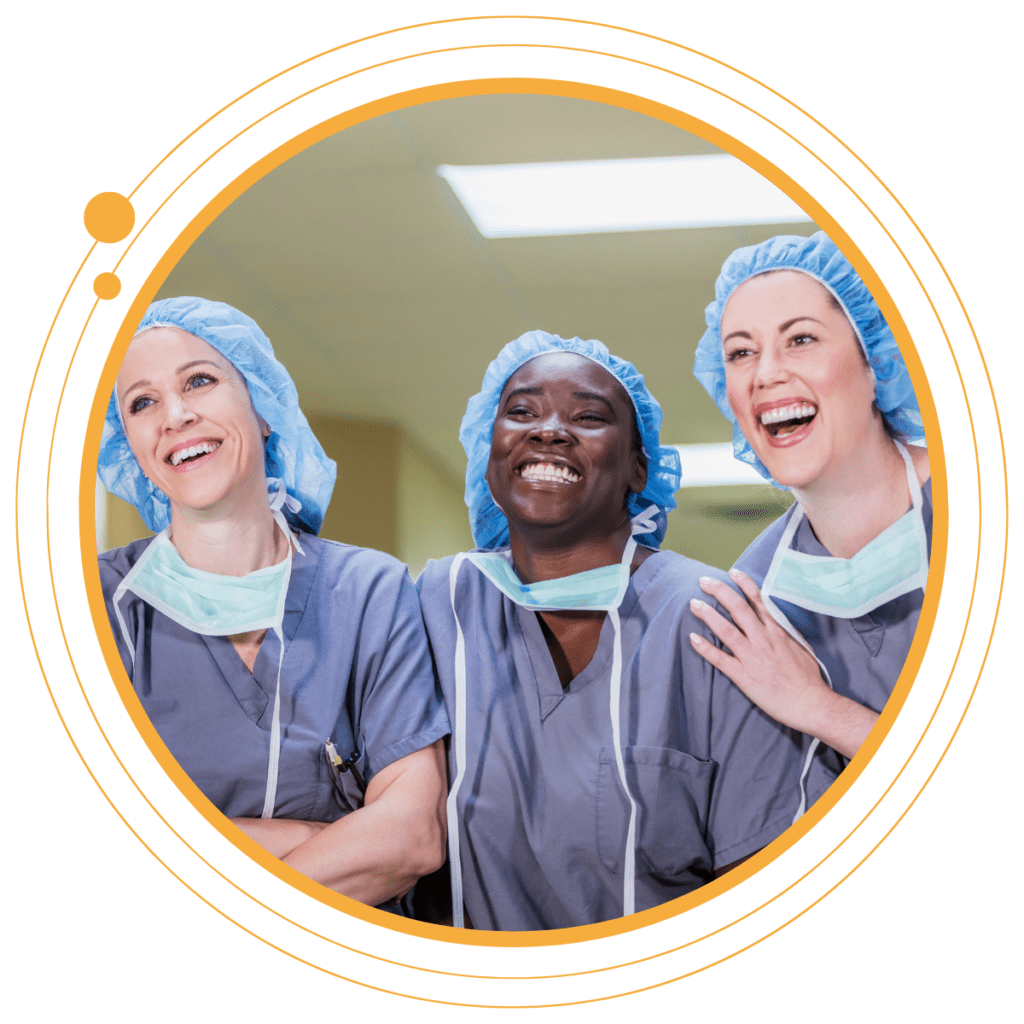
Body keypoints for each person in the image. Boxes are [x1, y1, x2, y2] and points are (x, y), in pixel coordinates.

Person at [416, 331, 804, 931]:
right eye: (521, 411)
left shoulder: (710, 616)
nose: (548, 430)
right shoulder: (435, 607)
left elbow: (771, 881)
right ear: (487, 454)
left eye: (589, 417)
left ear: (636, 468)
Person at [98, 296, 449, 910]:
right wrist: (323, 841)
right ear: (128, 443)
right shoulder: (96, 607)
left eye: (199, 381)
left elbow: (412, 836)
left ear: (262, 406)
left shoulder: (367, 592)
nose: (175, 415)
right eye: (142, 402)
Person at [690, 231, 930, 816]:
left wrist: (816, 707)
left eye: (800, 339)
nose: (765, 374)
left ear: (877, 363)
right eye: (741, 352)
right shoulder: (756, 599)